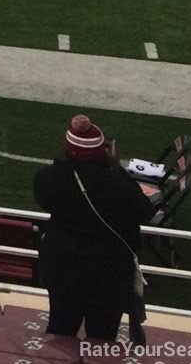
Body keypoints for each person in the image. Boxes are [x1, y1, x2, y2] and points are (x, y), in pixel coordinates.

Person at [34, 116, 153, 347]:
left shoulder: (48, 178)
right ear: (103, 152)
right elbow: (144, 211)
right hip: (108, 276)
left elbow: (46, 201)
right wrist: (117, 170)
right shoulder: (116, 186)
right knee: (102, 340)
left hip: (62, 270)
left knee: (60, 332)